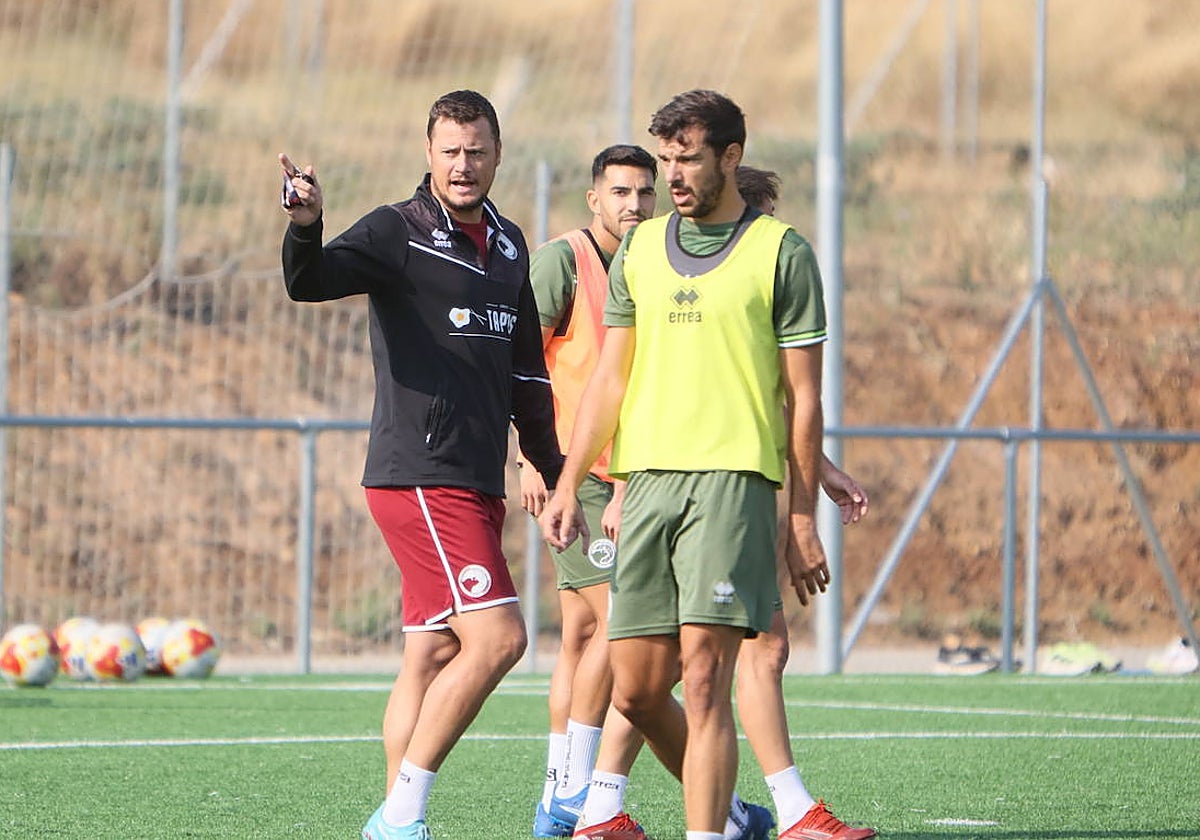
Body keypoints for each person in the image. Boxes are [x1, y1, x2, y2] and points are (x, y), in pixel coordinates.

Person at [540, 90, 875, 840]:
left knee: (705, 677)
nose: (673, 175)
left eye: (687, 159)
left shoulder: (783, 253)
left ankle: (715, 827)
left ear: (731, 156)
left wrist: (800, 518)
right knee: (636, 689)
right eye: (666, 160)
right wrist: (567, 480)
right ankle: (614, 806)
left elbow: (801, 397)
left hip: (733, 486)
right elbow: (610, 381)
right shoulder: (639, 252)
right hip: (646, 486)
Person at [279, 89, 565, 840]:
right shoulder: (397, 229)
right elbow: (309, 281)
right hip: (421, 472)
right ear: (428, 154)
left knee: (433, 651)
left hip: (475, 476)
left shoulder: (510, 244)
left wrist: (550, 464)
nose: (463, 164)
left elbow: (527, 373)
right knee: (500, 639)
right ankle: (399, 815)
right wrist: (306, 227)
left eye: (476, 150)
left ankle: (398, 822)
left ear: (497, 154)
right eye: (450, 151)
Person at [517, 144, 659, 839]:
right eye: (620, 192)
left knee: (580, 631)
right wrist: (530, 461)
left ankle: (556, 795)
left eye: (644, 192)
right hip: (576, 477)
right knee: (620, 621)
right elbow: (522, 362)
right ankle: (578, 788)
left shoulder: (654, 260)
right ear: (594, 199)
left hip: (628, 472)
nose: (634, 204)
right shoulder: (561, 261)